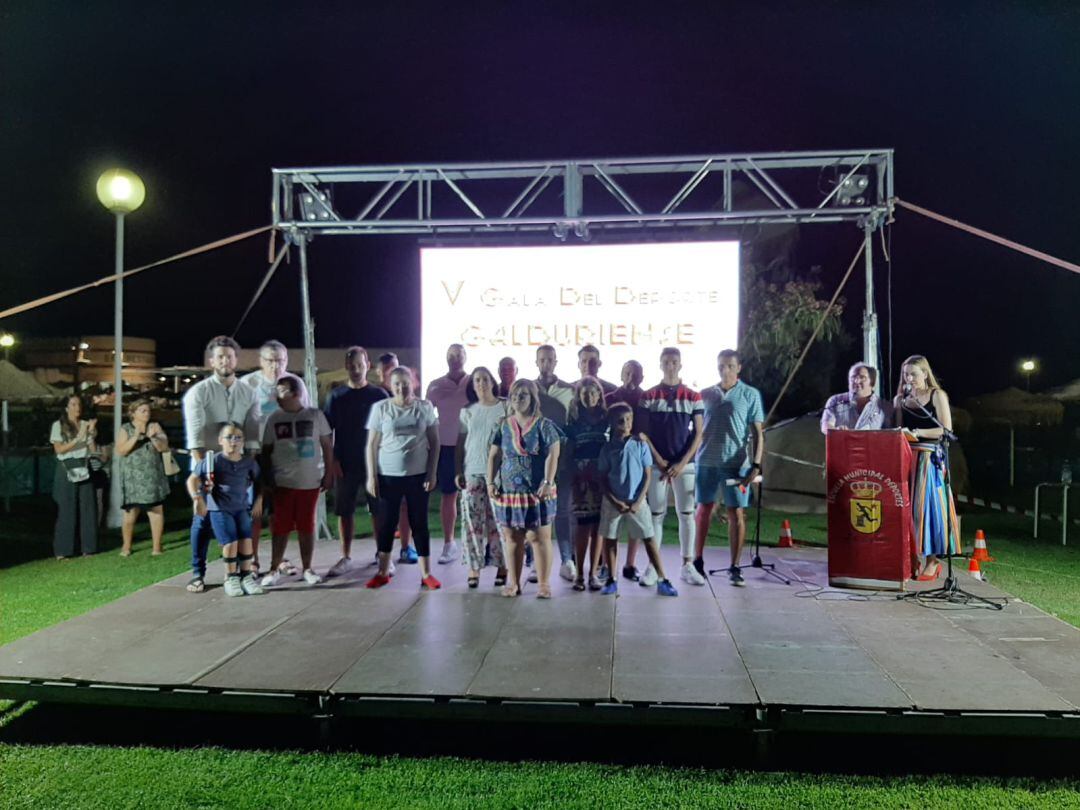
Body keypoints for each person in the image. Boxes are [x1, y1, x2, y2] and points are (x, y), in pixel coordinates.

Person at [182, 335, 259, 593]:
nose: (225, 360)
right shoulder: (199, 393)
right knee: (202, 519)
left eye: (230, 356)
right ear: (212, 361)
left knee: (241, 520)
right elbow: (195, 440)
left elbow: (253, 431)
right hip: (208, 463)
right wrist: (205, 480)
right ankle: (197, 573)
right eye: (220, 356)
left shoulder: (248, 392)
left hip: (238, 465)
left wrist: (248, 470)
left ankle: (244, 572)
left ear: (236, 360)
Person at [365, 367, 442, 590]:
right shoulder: (381, 409)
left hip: (418, 476)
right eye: (396, 383)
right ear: (390, 385)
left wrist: (432, 472)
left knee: (420, 524)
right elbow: (372, 444)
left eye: (405, 382)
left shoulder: (424, 408)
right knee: (387, 524)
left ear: (414, 383)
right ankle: (382, 571)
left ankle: (426, 573)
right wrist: (371, 476)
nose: (401, 387)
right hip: (388, 476)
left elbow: (435, 443)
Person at [694, 350, 765, 587]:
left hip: (736, 464)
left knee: (736, 513)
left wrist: (756, 463)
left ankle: (734, 566)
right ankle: (697, 560)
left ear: (738, 368)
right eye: (721, 366)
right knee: (703, 510)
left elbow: (757, 432)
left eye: (730, 366)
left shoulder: (749, 394)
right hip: (706, 461)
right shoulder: (705, 394)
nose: (725, 370)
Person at [488, 379, 562, 598]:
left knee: (539, 537)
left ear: (532, 398)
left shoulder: (544, 425)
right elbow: (494, 455)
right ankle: (514, 583)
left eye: (523, 395)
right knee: (512, 538)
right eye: (514, 395)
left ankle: (543, 584)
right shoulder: (502, 425)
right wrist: (491, 481)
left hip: (538, 491)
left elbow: (553, 453)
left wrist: (547, 482)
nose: (518, 399)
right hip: (509, 492)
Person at [639, 347, 706, 587]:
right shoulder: (649, 395)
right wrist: (659, 460)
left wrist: (683, 461)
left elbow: (698, 433)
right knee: (656, 515)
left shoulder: (693, 396)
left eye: (674, 362)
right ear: (660, 364)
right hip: (657, 465)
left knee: (686, 514)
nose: (670, 365)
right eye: (666, 362)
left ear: (680, 364)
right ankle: (653, 567)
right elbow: (644, 434)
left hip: (684, 465)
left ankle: (687, 565)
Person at [241, 339, 310, 572]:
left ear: (286, 360)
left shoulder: (295, 382)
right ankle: (252, 558)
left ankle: (278, 558)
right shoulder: (248, 384)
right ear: (261, 361)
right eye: (270, 361)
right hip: (254, 454)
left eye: (280, 360)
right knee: (254, 509)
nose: (275, 366)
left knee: (280, 510)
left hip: (284, 455)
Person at [597, 403, 678, 597]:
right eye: (620, 420)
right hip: (613, 502)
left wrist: (639, 500)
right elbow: (602, 477)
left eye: (628, 419)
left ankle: (662, 578)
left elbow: (647, 474)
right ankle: (612, 579)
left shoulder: (640, 445)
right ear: (612, 423)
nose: (625, 424)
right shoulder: (608, 448)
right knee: (610, 538)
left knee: (649, 538)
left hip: (637, 501)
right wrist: (614, 500)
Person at [260, 376, 334, 586]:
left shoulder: (315, 415)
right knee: (281, 527)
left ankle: (308, 568)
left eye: (282, 391)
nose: (278, 395)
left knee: (306, 525)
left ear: (297, 393)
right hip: (282, 482)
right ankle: (274, 569)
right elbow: (266, 451)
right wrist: (267, 479)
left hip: (309, 481)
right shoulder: (274, 418)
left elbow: (327, 446)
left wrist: (328, 473)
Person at [324, 346, 389, 577]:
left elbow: (388, 430)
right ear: (346, 367)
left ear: (367, 366)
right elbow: (327, 431)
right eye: (351, 366)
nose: (356, 370)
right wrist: (332, 461)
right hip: (346, 461)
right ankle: (346, 556)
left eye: (360, 366)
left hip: (375, 462)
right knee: (345, 511)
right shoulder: (336, 396)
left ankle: (382, 554)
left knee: (378, 510)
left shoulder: (379, 395)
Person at [893, 355, 958, 581]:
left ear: (925, 374)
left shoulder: (936, 395)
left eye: (913, 374)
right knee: (907, 508)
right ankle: (911, 557)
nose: (909, 378)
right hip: (907, 457)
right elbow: (897, 428)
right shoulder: (900, 400)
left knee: (929, 507)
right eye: (905, 374)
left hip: (930, 458)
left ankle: (933, 560)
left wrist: (918, 433)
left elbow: (945, 429)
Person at [187, 423, 264, 596]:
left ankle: (246, 576)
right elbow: (193, 480)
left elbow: (259, 481)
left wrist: (259, 499)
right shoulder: (212, 461)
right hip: (220, 508)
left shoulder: (248, 462)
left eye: (238, 438)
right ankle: (231, 577)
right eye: (229, 437)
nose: (233, 442)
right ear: (220, 440)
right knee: (230, 542)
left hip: (241, 507)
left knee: (246, 541)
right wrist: (197, 497)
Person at [455, 366, 508, 588]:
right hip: (473, 471)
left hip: (498, 473)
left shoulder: (505, 407)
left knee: (499, 522)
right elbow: (460, 443)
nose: (481, 384)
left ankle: (503, 566)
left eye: (485, 379)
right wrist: (458, 470)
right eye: (477, 380)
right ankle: (474, 568)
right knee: (472, 522)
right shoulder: (467, 411)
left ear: (493, 382)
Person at [534, 344, 576, 583]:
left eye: (550, 359)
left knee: (562, 512)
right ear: (536, 362)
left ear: (556, 362)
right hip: (536, 462)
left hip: (563, 461)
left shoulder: (568, 390)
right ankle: (535, 561)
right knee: (537, 513)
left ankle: (567, 560)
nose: (546, 363)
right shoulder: (528, 389)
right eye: (542, 360)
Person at [426, 343, 470, 565]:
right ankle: (449, 544)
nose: (455, 359)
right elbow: (426, 416)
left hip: (470, 446)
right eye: (451, 355)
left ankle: (477, 542)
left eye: (458, 355)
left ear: (465, 357)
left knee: (474, 495)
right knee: (449, 495)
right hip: (445, 447)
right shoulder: (435, 386)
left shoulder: (473, 382)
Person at [565, 376, 609, 591]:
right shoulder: (573, 421)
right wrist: (576, 474)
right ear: (578, 397)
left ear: (599, 395)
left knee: (597, 528)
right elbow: (568, 452)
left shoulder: (605, 419)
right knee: (582, 527)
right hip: (581, 479)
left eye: (593, 393)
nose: (589, 397)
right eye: (585, 394)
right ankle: (579, 575)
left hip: (602, 478)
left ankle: (594, 573)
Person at [115, 399, 171, 556]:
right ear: (133, 413)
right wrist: (135, 436)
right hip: (133, 477)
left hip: (152, 476)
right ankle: (126, 546)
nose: (147, 414)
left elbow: (163, 447)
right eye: (143, 411)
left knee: (156, 510)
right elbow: (121, 451)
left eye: (148, 411)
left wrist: (154, 437)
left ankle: (157, 547)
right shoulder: (125, 429)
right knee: (130, 513)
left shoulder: (155, 426)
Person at [50, 395, 98, 558]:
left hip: (84, 465)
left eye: (79, 404)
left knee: (88, 508)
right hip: (67, 466)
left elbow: (92, 448)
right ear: (66, 408)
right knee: (66, 508)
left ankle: (88, 548)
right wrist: (78, 438)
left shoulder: (85, 424)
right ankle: (63, 550)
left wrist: (91, 433)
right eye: (73, 404)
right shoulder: (58, 426)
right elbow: (59, 449)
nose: (77, 407)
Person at [821, 363, 892, 433]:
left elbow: (890, 433)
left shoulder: (884, 406)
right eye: (853, 377)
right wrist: (837, 431)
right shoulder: (835, 401)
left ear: (872, 382)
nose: (857, 381)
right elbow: (825, 426)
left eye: (862, 377)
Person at [605, 360, 646, 426]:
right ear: (621, 376)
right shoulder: (608, 399)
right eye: (627, 374)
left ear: (641, 378)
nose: (631, 379)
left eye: (635, 375)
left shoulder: (648, 401)